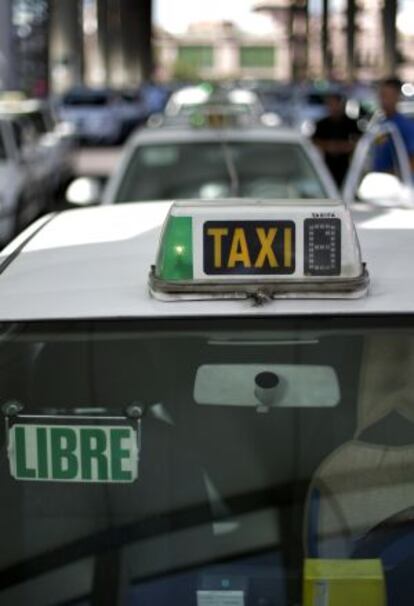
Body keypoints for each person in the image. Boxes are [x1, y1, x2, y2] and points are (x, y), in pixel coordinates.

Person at [313, 93, 361, 187]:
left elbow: (358, 142)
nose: (333, 107)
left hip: (347, 166)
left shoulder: (351, 123)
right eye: (330, 104)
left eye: (335, 104)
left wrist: (340, 147)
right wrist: (329, 147)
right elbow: (315, 142)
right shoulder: (321, 124)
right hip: (326, 166)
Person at [373, 77, 414, 174]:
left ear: (397, 97)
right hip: (378, 181)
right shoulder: (380, 123)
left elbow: (412, 160)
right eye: (382, 95)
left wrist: (393, 174)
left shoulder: (405, 126)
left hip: (398, 185)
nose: (384, 100)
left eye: (388, 96)